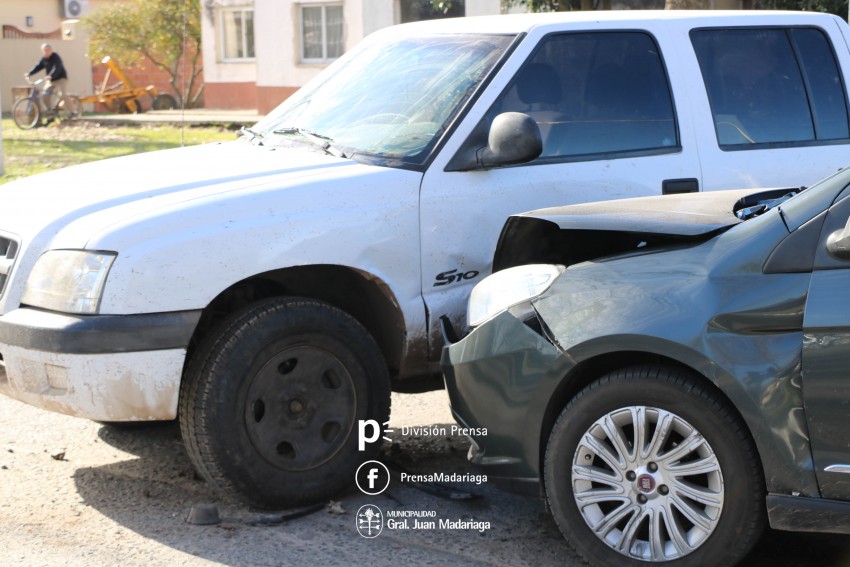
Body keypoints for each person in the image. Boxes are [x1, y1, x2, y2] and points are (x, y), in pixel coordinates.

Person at [25, 43, 68, 111]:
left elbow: (57, 67)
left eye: (48, 50)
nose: (46, 51)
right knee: (45, 96)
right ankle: (50, 111)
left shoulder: (56, 57)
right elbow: (38, 67)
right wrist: (29, 73)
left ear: (51, 50)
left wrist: (51, 75)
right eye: (45, 50)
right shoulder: (44, 59)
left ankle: (73, 112)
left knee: (63, 95)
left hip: (61, 78)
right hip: (51, 80)